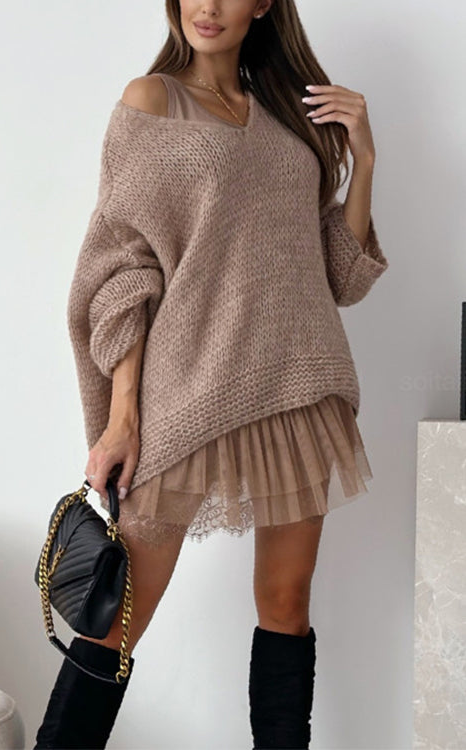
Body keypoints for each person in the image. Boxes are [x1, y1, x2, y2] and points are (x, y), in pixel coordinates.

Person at [34, 0, 389, 748]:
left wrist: (362, 160)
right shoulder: (151, 101)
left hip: (297, 385)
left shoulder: (287, 117)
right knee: (117, 618)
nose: (208, 5)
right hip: (192, 390)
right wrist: (122, 417)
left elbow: (340, 275)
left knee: (287, 606)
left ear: (262, 5)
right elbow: (124, 267)